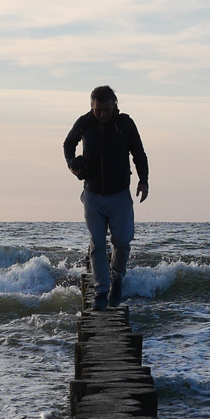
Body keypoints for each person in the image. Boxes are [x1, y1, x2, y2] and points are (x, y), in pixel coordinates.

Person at [63, 86, 149, 309]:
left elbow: (139, 153)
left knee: (122, 242)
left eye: (107, 110)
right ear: (92, 107)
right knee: (98, 244)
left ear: (115, 105)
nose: (102, 115)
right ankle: (101, 292)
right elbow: (68, 143)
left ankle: (117, 279)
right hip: (92, 194)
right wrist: (72, 164)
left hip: (119, 194)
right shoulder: (84, 122)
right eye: (98, 110)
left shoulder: (125, 124)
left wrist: (143, 180)